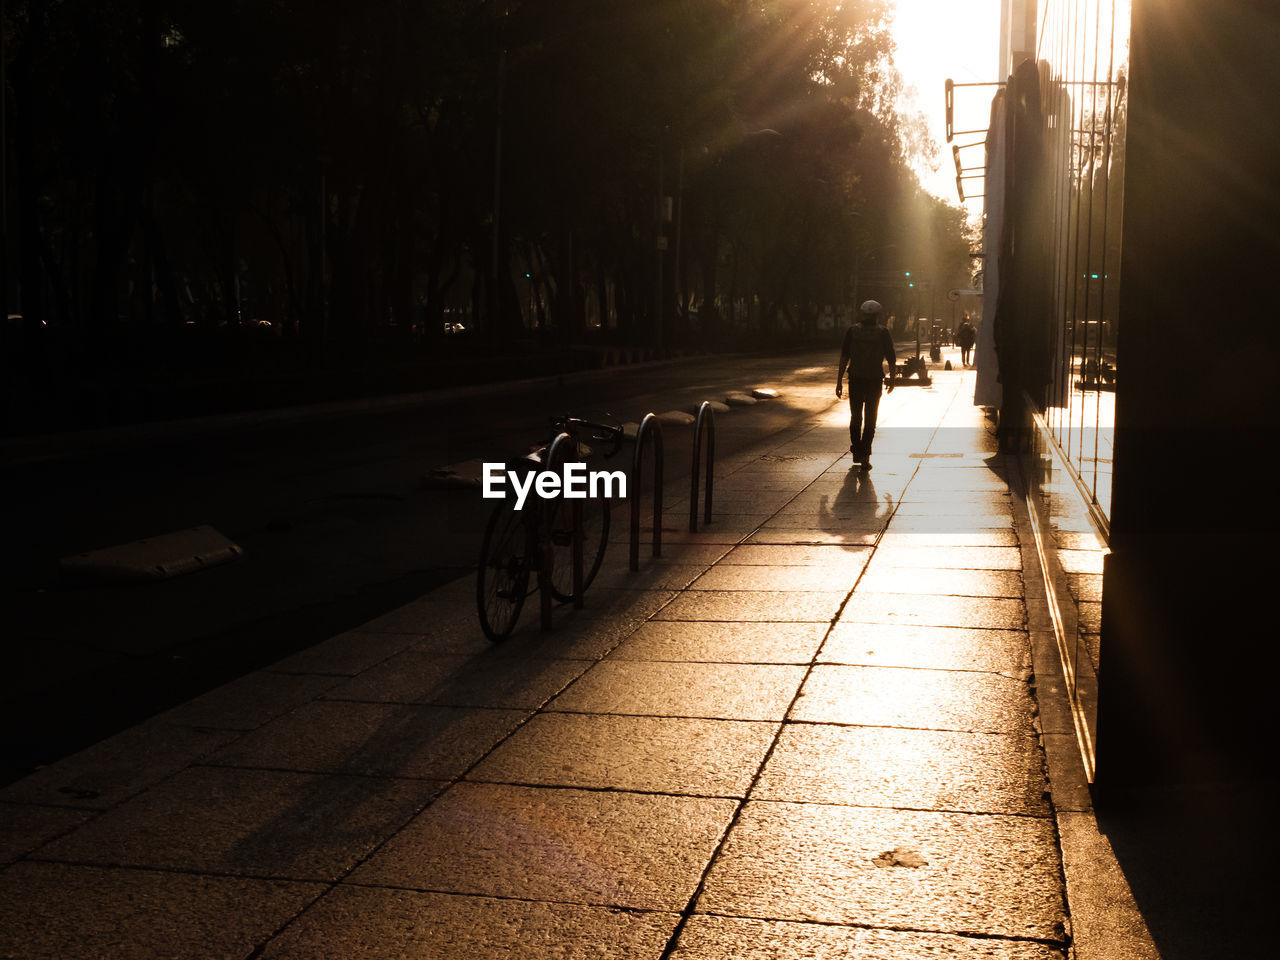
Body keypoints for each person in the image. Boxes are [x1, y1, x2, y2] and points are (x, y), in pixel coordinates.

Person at [836, 299, 896, 469]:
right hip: (874, 380)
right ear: (878, 315)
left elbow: (844, 358)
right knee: (870, 419)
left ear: (863, 314)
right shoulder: (883, 332)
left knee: (856, 417)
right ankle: (865, 456)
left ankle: (856, 450)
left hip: (855, 379)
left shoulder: (852, 331)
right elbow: (891, 359)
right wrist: (892, 381)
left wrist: (839, 381)